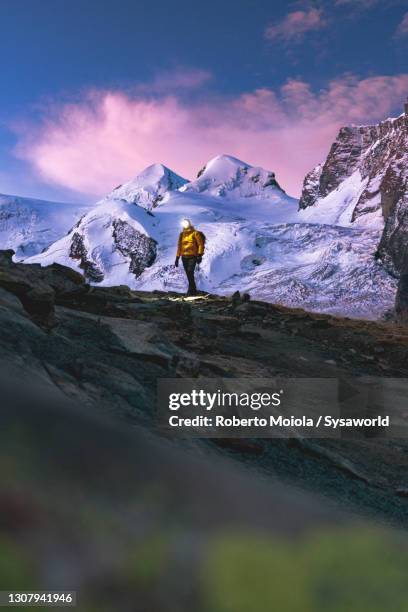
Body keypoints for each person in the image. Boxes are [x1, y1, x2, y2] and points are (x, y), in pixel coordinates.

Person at [174, 219, 205, 296]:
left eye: (186, 223)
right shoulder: (181, 235)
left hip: (193, 256)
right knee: (188, 273)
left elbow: (201, 244)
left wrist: (199, 255)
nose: (185, 225)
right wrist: (177, 257)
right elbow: (179, 246)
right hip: (184, 257)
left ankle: (191, 290)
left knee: (190, 272)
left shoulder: (195, 233)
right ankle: (193, 290)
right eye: (183, 224)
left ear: (189, 224)